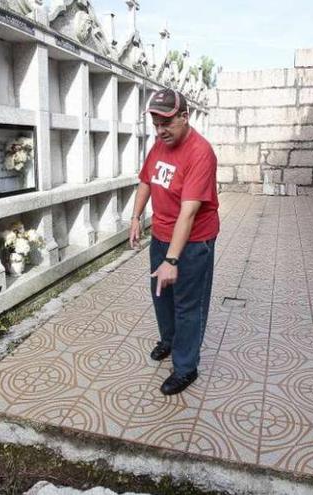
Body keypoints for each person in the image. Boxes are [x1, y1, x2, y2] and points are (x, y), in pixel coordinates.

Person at [129, 89, 219, 396]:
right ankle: (169, 340)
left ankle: (185, 367)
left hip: (193, 241)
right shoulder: (159, 144)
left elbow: (190, 211)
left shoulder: (200, 152)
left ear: (184, 116)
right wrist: (136, 216)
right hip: (162, 233)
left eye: (166, 122)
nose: (160, 130)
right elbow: (146, 180)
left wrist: (172, 260)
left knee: (187, 306)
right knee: (160, 295)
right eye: (155, 123)